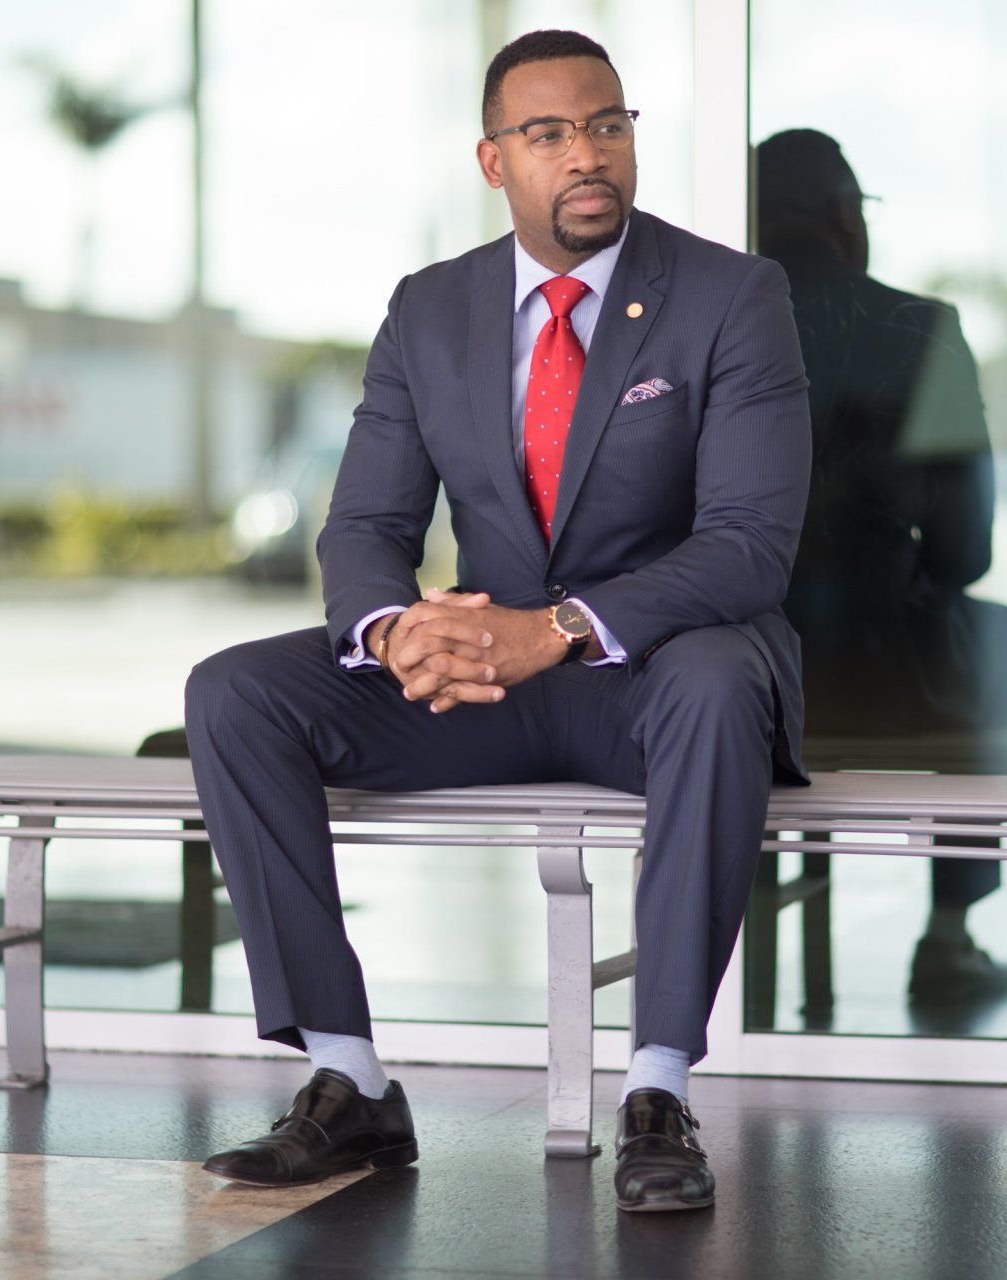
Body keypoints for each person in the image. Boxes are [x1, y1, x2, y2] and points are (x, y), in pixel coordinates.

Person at [183, 30, 811, 1213]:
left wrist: (561, 625)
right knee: (236, 689)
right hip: (485, 688)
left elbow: (747, 545)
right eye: (550, 133)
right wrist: (390, 631)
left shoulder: (732, 296)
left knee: (726, 675)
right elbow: (365, 522)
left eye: (608, 125)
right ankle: (348, 1075)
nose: (589, 155)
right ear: (493, 160)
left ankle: (660, 1087)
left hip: (661, 680)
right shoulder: (431, 311)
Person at [755, 129, 1007, 1010]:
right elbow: (966, 552)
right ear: (844, 217)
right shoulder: (921, 329)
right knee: (1000, 634)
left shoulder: (702, 328)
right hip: (884, 674)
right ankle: (949, 936)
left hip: (745, 681)